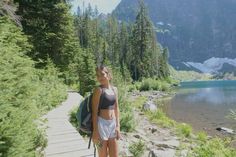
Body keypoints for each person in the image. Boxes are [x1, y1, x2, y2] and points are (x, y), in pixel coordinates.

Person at [91, 65, 121, 157]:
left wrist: (118, 126)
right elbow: (94, 112)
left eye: (102, 74)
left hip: (112, 125)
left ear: (108, 75)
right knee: (102, 155)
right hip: (101, 126)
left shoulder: (114, 89)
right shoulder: (98, 90)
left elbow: (116, 108)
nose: (99, 77)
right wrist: (95, 132)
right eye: (97, 75)